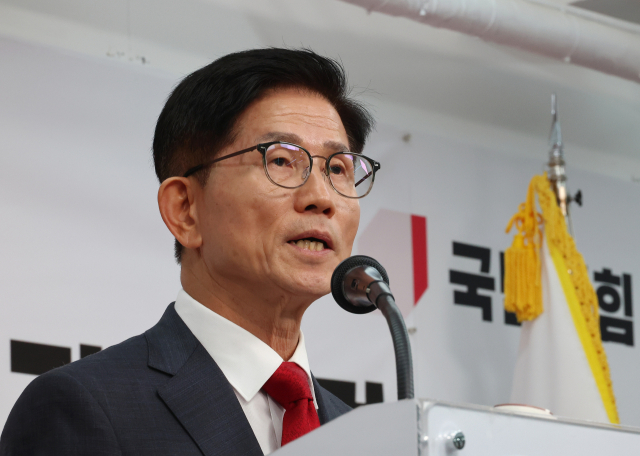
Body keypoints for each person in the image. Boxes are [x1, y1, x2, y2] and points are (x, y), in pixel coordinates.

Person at [0, 48, 379, 455]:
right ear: (185, 210)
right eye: (282, 160)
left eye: (337, 168)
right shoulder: (83, 406)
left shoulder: (364, 439)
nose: (322, 197)